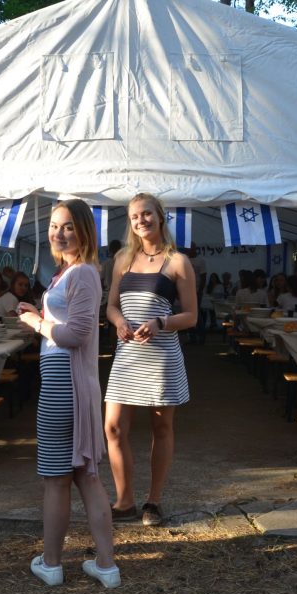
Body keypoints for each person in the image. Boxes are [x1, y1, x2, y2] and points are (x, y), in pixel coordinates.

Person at [15, 199, 119, 588]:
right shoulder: (70, 272)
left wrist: (36, 322)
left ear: (84, 231)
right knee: (82, 475)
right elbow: (68, 323)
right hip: (65, 381)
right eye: (54, 226)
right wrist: (40, 315)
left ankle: (53, 563)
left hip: (65, 383)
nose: (59, 233)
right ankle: (104, 566)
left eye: (69, 227)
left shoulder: (84, 273)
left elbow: (76, 334)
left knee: (60, 478)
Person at [104, 193, 197, 527]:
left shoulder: (178, 261)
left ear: (159, 216)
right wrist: (118, 322)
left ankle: (153, 501)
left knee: (161, 426)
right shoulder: (123, 259)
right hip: (128, 354)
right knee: (113, 427)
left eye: (146, 214)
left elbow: (192, 316)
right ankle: (124, 500)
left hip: (162, 357)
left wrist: (161, 322)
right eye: (134, 217)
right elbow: (111, 305)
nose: (140, 221)